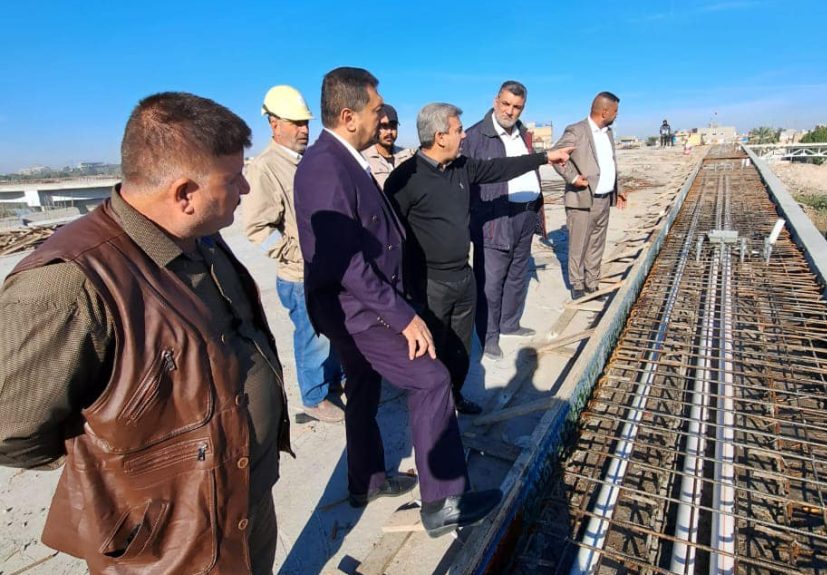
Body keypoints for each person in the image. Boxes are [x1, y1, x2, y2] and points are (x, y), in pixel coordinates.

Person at [0, 92, 290, 574]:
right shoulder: (69, 282)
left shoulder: (201, 237)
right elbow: (10, 427)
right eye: (233, 178)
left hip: (242, 501)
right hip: (170, 545)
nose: (244, 187)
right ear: (184, 194)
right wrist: (124, 471)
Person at [293, 67, 502, 537]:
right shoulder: (325, 166)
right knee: (431, 378)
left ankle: (365, 481)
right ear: (348, 116)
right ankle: (443, 500)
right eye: (375, 109)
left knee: (364, 387)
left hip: (361, 302)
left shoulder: (344, 158)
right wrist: (403, 317)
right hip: (360, 308)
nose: (382, 116)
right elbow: (346, 261)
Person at [385, 103, 572, 413]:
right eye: (458, 130)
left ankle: (454, 397)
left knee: (460, 349)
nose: (464, 136)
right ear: (440, 136)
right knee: (431, 350)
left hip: (463, 277)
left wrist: (544, 157)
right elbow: (391, 237)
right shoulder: (404, 179)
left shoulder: (462, 167)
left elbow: (499, 168)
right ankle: (432, 410)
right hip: (429, 285)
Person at [243, 84, 344, 423]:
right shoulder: (265, 168)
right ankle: (314, 398)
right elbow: (257, 229)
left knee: (332, 332)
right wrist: (294, 253)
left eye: (306, 123)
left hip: (326, 269)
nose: (304, 129)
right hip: (299, 275)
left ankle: (333, 382)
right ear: (274, 124)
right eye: (296, 123)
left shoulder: (308, 161)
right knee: (312, 337)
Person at [464, 81, 544, 360]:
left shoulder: (524, 134)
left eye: (517, 107)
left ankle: (510, 323)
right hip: (494, 218)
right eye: (506, 104)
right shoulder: (474, 136)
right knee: (491, 280)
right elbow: (465, 181)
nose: (510, 111)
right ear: (495, 101)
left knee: (517, 272)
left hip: (526, 213)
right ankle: (488, 337)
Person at [553, 91, 628, 300]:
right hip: (582, 200)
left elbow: (611, 163)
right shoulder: (577, 131)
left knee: (597, 243)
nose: (617, 115)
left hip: (604, 198)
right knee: (579, 244)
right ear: (604, 112)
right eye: (615, 111)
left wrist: (619, 189)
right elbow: (556, 155)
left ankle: (592, 283)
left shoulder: (608, 133)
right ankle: (577, 284)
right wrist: (573, 177)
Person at [363, 103, 414, 188]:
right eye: (384, 126)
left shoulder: (407, 155)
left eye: (393, 126)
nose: (389, 132)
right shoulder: (365, 159)